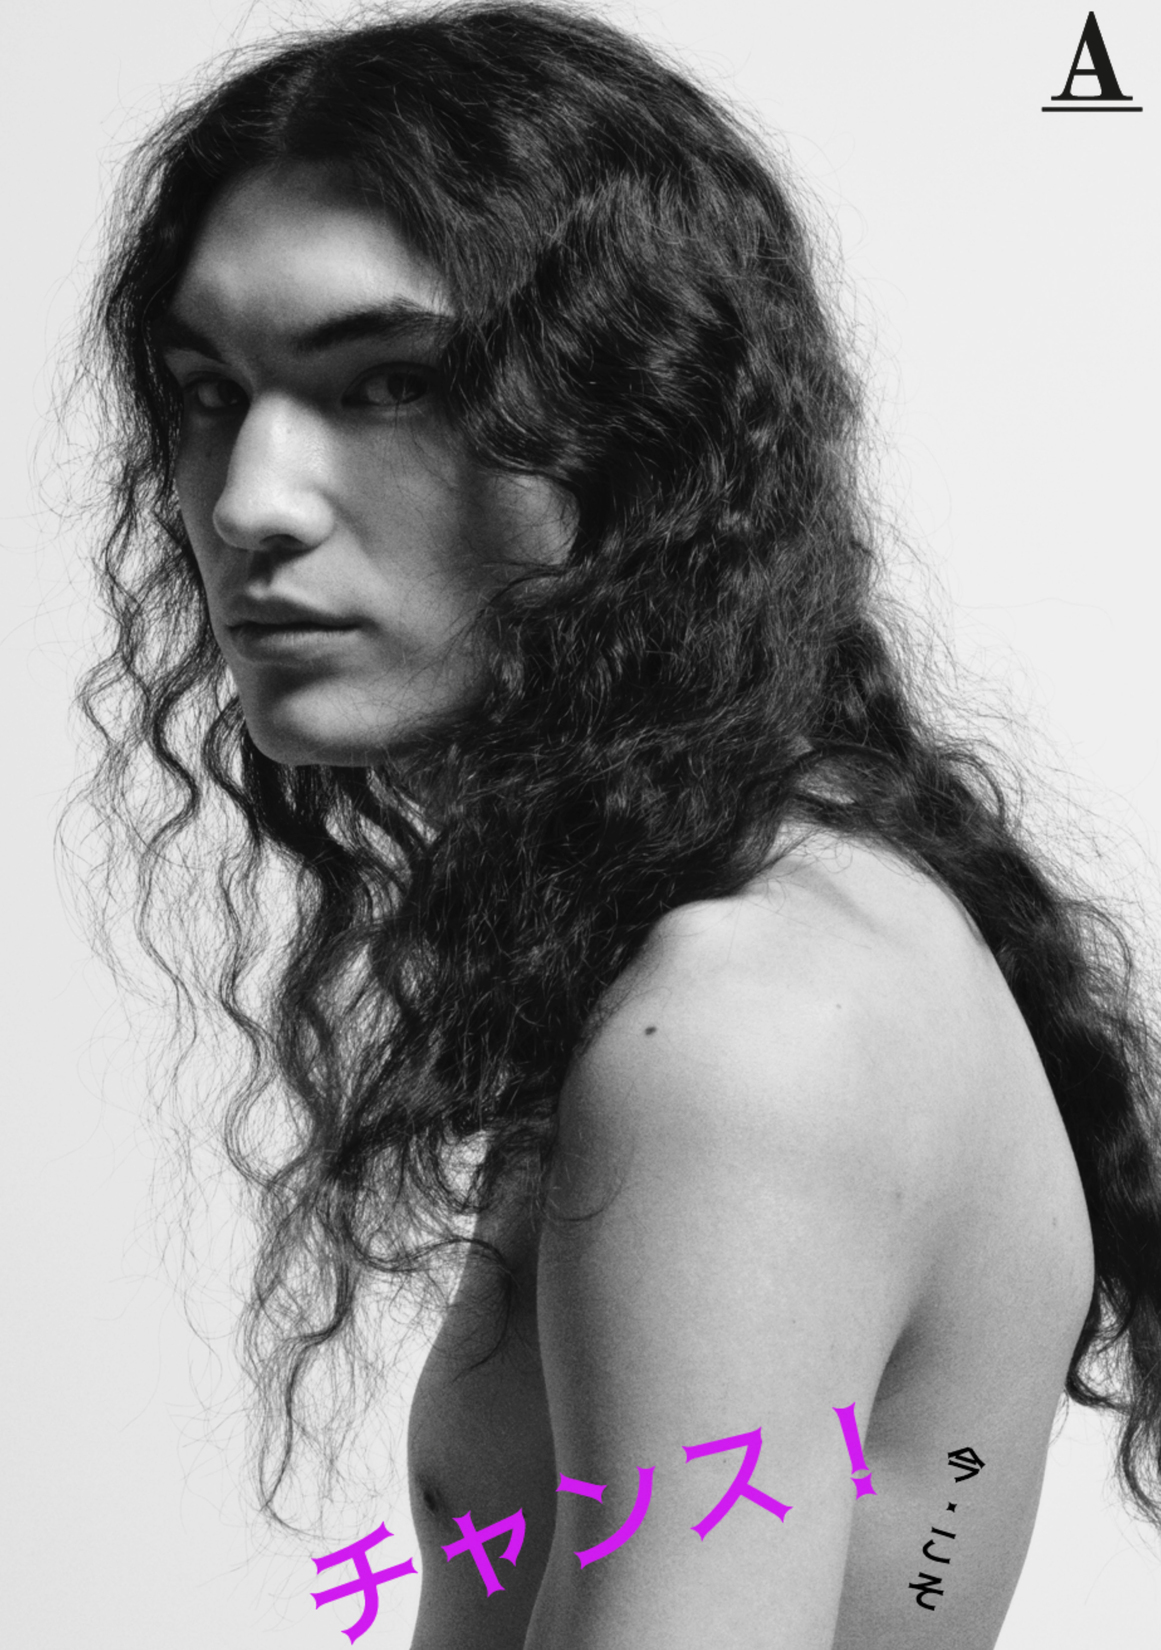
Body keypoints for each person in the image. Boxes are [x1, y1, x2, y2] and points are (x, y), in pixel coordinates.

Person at [75, 3, 1161, 1645]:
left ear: (636, 426)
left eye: (391, 383)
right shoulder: (745, 927)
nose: (247, 501)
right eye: (207, 390)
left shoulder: (739, 1029)